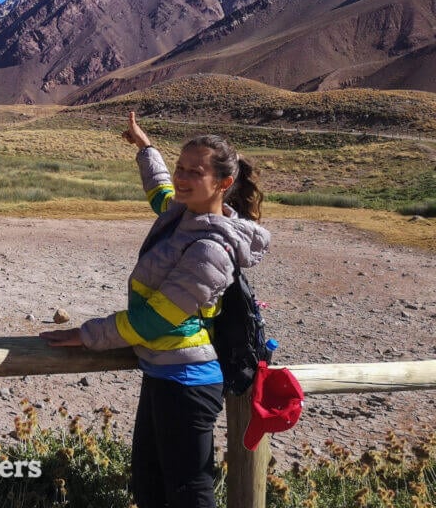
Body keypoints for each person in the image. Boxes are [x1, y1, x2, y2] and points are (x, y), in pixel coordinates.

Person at [41, 112, 269, 508]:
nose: (181, 177)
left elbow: (154, 320)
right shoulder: (184, 214)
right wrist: (145, 147)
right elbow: (160, 191)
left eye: (194, 172)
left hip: (187, 381)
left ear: (224, 184)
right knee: (149, 482)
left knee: (188, 492)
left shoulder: (211, 250)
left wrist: (87, 335)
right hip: (164, 374)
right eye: (180, 167)